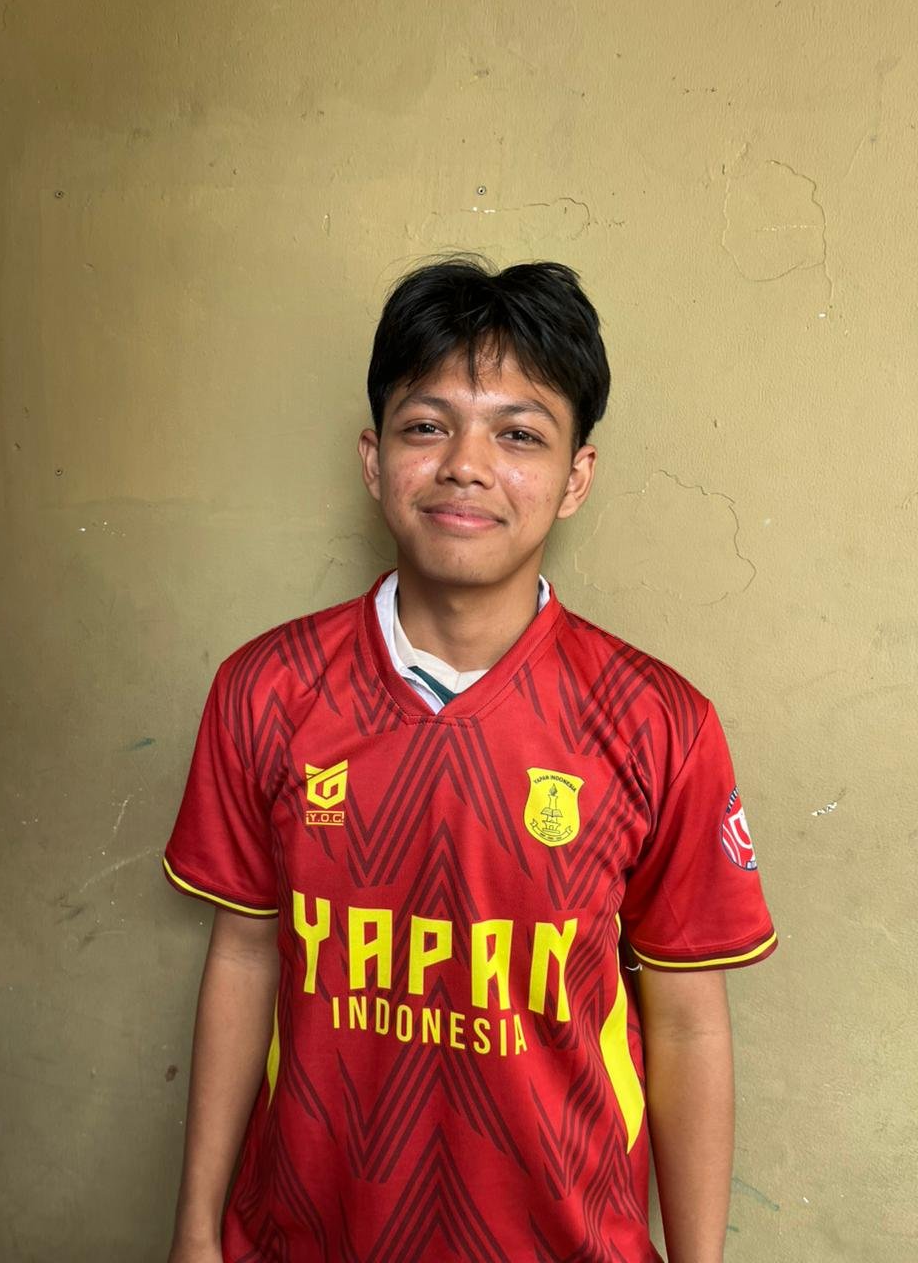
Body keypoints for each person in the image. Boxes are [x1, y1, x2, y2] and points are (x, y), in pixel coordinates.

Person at [163, 257, 776, 1263]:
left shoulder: (657, 722)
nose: (466, 465)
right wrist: (195, 1231)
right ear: (374, 460)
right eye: (427, 425)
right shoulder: (266, 690)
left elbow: (687, 1024)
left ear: (577, 476)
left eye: (519, 434)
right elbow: (241, 955)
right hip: (306, 1236)